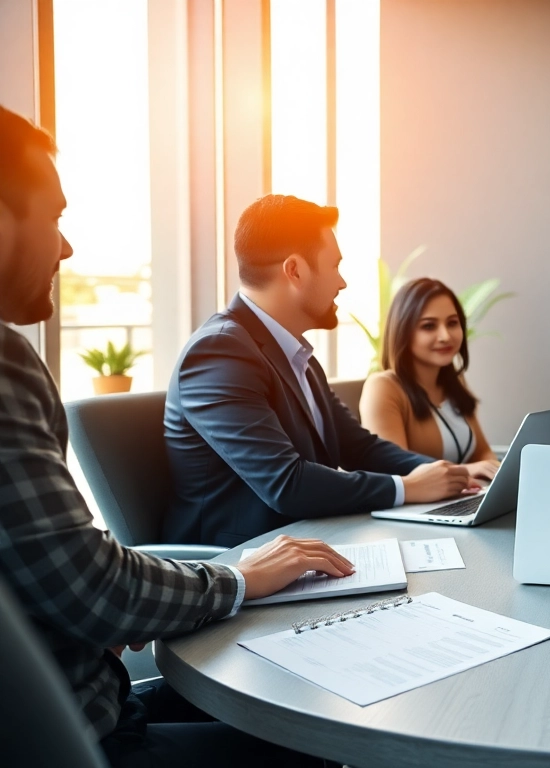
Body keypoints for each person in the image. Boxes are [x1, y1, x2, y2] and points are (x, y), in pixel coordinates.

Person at [0, 103, 351, 766]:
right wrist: (237, 579)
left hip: (96, 686)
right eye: (55, 217)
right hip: (79, 732)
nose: (67, 246)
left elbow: (46, 575)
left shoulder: (297, 352)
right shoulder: (5, 362)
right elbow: (93, 591)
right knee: (321, 737)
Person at [164, 195, 474, 547]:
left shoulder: (300, 358)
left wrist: (450, 476)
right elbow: (286, 484)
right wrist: (407, 488)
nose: (341, 283)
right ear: (295, 270)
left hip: (310, 542)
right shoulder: (219, 352)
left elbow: (359, 447)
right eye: (335, 266)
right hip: (239, 562)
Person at [361, 277, 498, 479]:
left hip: (460, 497)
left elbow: (482, 452)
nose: (445, 336)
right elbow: (394, 470)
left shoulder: (453, 382)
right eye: (429, 326)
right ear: (403, 331)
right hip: (415, 507)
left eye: (452, 323)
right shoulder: (383, 387)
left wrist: (494, 470)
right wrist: (466, 471)